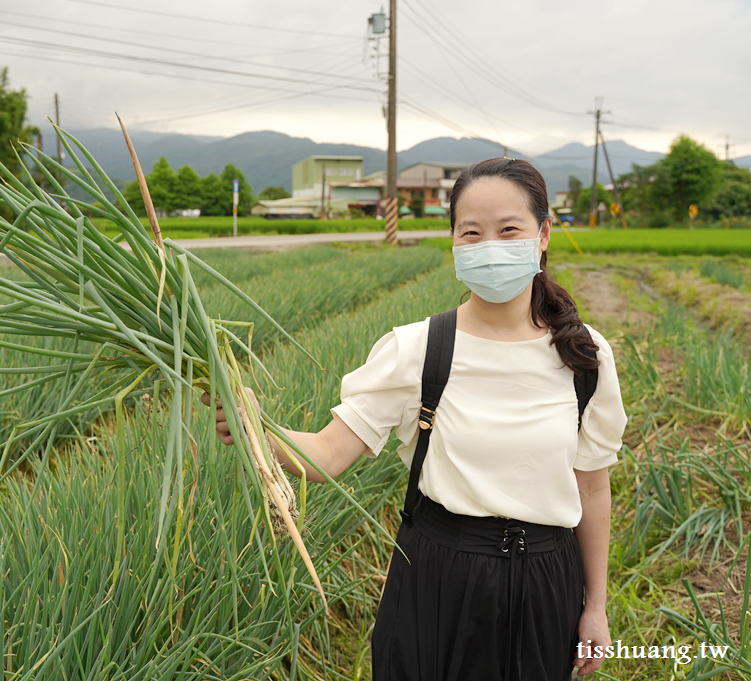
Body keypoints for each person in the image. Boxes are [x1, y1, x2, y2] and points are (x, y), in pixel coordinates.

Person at [201, 158, 627, 681]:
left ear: (542, 234)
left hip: (546, 581)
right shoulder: (418, 349)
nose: (489, 245)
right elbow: (329, 454)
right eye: (471, 232)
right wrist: (256, 427)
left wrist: (596, 605)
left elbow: (592, 488)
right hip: (438, 575)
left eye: (508, 229)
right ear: (453, 243)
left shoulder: (584, 356)